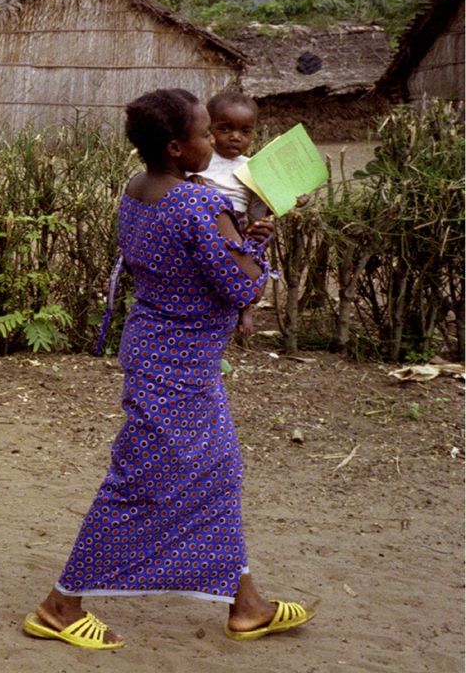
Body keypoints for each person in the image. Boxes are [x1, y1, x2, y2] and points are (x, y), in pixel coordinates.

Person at [22, 89, 313, 650]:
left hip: (164, 354)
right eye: (206, 134)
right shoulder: (197, 205)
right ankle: (60, 605)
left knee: (219, 473)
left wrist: (241, 235)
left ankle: (247, 605)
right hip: (177, 367)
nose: (216, 143)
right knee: (137, 483)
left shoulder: (140, 190)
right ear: (178, 147)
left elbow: (198, 260)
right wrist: (261, 243)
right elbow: (243, 284)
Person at [192, 91, 270, 337]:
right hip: (203, 221)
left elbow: (261, 205)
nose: (235, 137)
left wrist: (294, 198)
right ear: (210, 128)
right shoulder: (200, 158)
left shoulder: (251, 167)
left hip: (239, 224)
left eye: (245, 131)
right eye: (225, 129)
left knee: (252, 255)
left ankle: (245, 307)